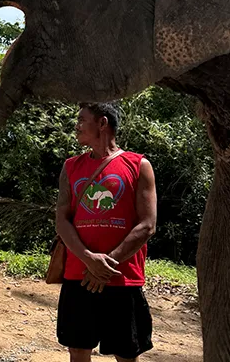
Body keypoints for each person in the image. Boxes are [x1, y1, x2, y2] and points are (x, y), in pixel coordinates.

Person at [55, 102, 158, 362]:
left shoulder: (139, 165)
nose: (76, 126)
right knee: (78, 350)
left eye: (82, 120)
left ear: (102, 123)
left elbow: (147, 225)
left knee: (126, 353)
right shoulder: (70, 167)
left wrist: (106, 264)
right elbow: (62, 219)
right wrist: (89, 259)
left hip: (122, 278)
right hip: (79, 275)